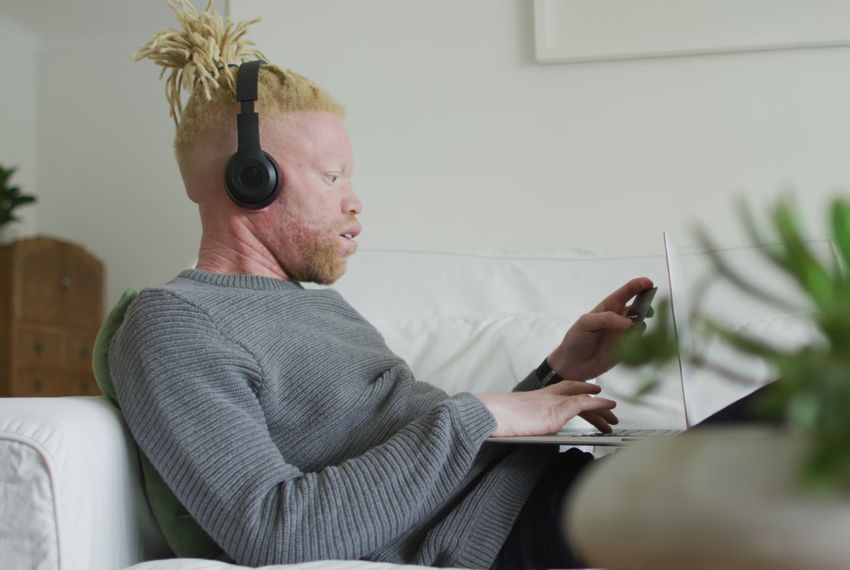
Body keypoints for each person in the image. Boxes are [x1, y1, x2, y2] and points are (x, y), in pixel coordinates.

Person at [116, 2, 669, 568]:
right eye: (331, 177)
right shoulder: (174, 322)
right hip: (514, 532)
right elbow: (275, 534)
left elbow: (431, 454)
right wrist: (479, 413)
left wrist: (558, 371)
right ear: (249, 178)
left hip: (556, 489)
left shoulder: (325, 308)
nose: (354, 201)